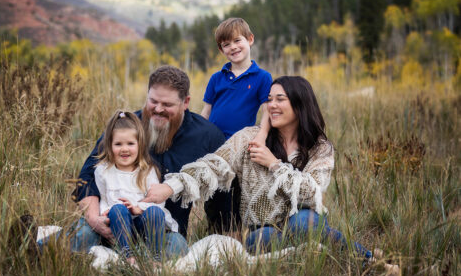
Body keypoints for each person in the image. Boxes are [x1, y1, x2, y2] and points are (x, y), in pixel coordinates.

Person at [143, 76, 377, 261]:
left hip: (303, 220)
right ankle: (329, 252)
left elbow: (312, 192)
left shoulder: (320, 148)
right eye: (269, 99)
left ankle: (361, 259)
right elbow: (212, 166)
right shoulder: (249, 137)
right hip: (260, 232)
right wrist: (170, 187)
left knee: (304, 222)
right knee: (271, 236)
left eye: (280, 99)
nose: (271, 105)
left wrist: (273, 164)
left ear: (300, 104)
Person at [71, 66, 230, 257]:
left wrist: (224, 231)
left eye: (167, 104)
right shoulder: (126, 129)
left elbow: (222, 187)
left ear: (185, 102)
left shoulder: (207, 136)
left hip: (162, 232)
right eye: (153, 101)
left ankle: (141, 265)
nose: (158, 109)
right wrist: (94, 219)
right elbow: (88, 174)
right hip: (111, 224)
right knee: (82, 235)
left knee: (177, 246)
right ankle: (38, 247)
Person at [94, 110, 178, 264]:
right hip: (118, 227)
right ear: (109, 145)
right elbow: (103, 199)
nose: (124, 149)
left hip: (143, 226)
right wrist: (104, 213)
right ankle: (128, 255)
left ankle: (155, 257)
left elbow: (158, 201)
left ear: (140, 145)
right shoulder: (103, 171)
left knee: (154, 212)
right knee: (118, 208)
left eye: (130, 144)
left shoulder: (147, 171)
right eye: (118, 144)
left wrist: (138, 208)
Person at [201, 17, 272, 141]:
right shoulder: (216, 78)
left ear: (250, 39)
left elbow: (267, 112)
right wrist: (198, 133)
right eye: (226, 45)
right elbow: (206, 112)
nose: (233, 47)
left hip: (239, 142)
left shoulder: (262, 77)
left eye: (237, 40)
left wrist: (262, 135)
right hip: (211, 140)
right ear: (221, 50)